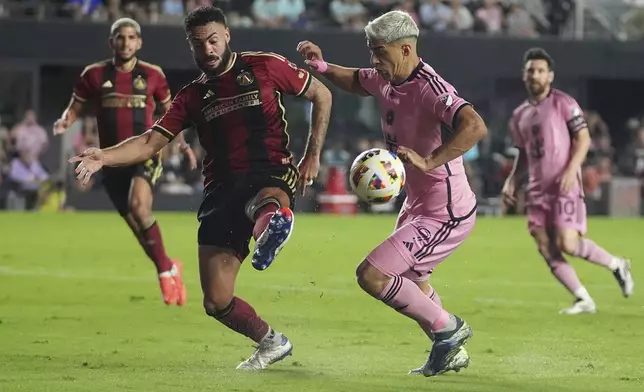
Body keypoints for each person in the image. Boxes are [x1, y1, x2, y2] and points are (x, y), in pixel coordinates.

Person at [70, 7, 332, 371]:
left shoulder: (264, 66)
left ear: (226, 35)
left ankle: (273, 224)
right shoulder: (191, 97)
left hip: (268, 170)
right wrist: (104, 155)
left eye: (212, 40)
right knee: (216, 301)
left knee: (265, 200)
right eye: (198, 43)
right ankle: (272, 342)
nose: (207, 49)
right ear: (190, 46)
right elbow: (149, 142)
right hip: (221, 190)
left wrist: (312, 156)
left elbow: (322, 94)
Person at [297, 10, 487, 376]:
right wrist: (321, 67)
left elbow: (475, 126)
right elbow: (355, 80)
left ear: (404, 49)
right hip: (417, 205)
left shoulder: (432, 88)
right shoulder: (388, 78)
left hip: (445, 211)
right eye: (371, 51)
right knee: (413, 282)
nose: (374, 61)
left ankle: (449, 329)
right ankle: (449, 350)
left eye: (379, 52)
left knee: (372, 275)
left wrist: (431, 161)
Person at [53, 18, 197, 306]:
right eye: (121, 37)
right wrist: (64, 120)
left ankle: (164, 273)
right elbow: (75, 107)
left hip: (145, 154)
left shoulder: (153, 75)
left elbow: (171, 114)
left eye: (132, 37)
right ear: (112, 42)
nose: (126, 42)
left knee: (139, 207)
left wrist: (181, 144)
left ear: (139, 42)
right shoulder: (93, 75)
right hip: (109, 159)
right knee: (136, 224)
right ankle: (168, 267)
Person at [502, 48, 634, 315]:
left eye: (540, 70)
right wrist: (512, 181)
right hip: (537, 190)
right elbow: (524, 154)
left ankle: (617, 264)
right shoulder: (519, 116)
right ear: (524, 75)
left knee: (567, 244)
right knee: (544, 245)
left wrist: (571, 169)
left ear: (550, 76)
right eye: (530, 70)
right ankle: (583, 298)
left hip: (564, 185)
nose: (535, 75)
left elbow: (583, 138)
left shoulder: (564, 102)